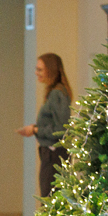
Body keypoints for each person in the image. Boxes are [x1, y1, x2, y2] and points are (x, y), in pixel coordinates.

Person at [18, 52, 73, 198]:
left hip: (54, 155)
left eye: (40, 69)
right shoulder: (57, 92)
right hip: (53, 154)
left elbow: (61, 129)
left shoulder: (57, 94)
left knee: (50, 199)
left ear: (51, 70)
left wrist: (36, 130)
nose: (36, 73)